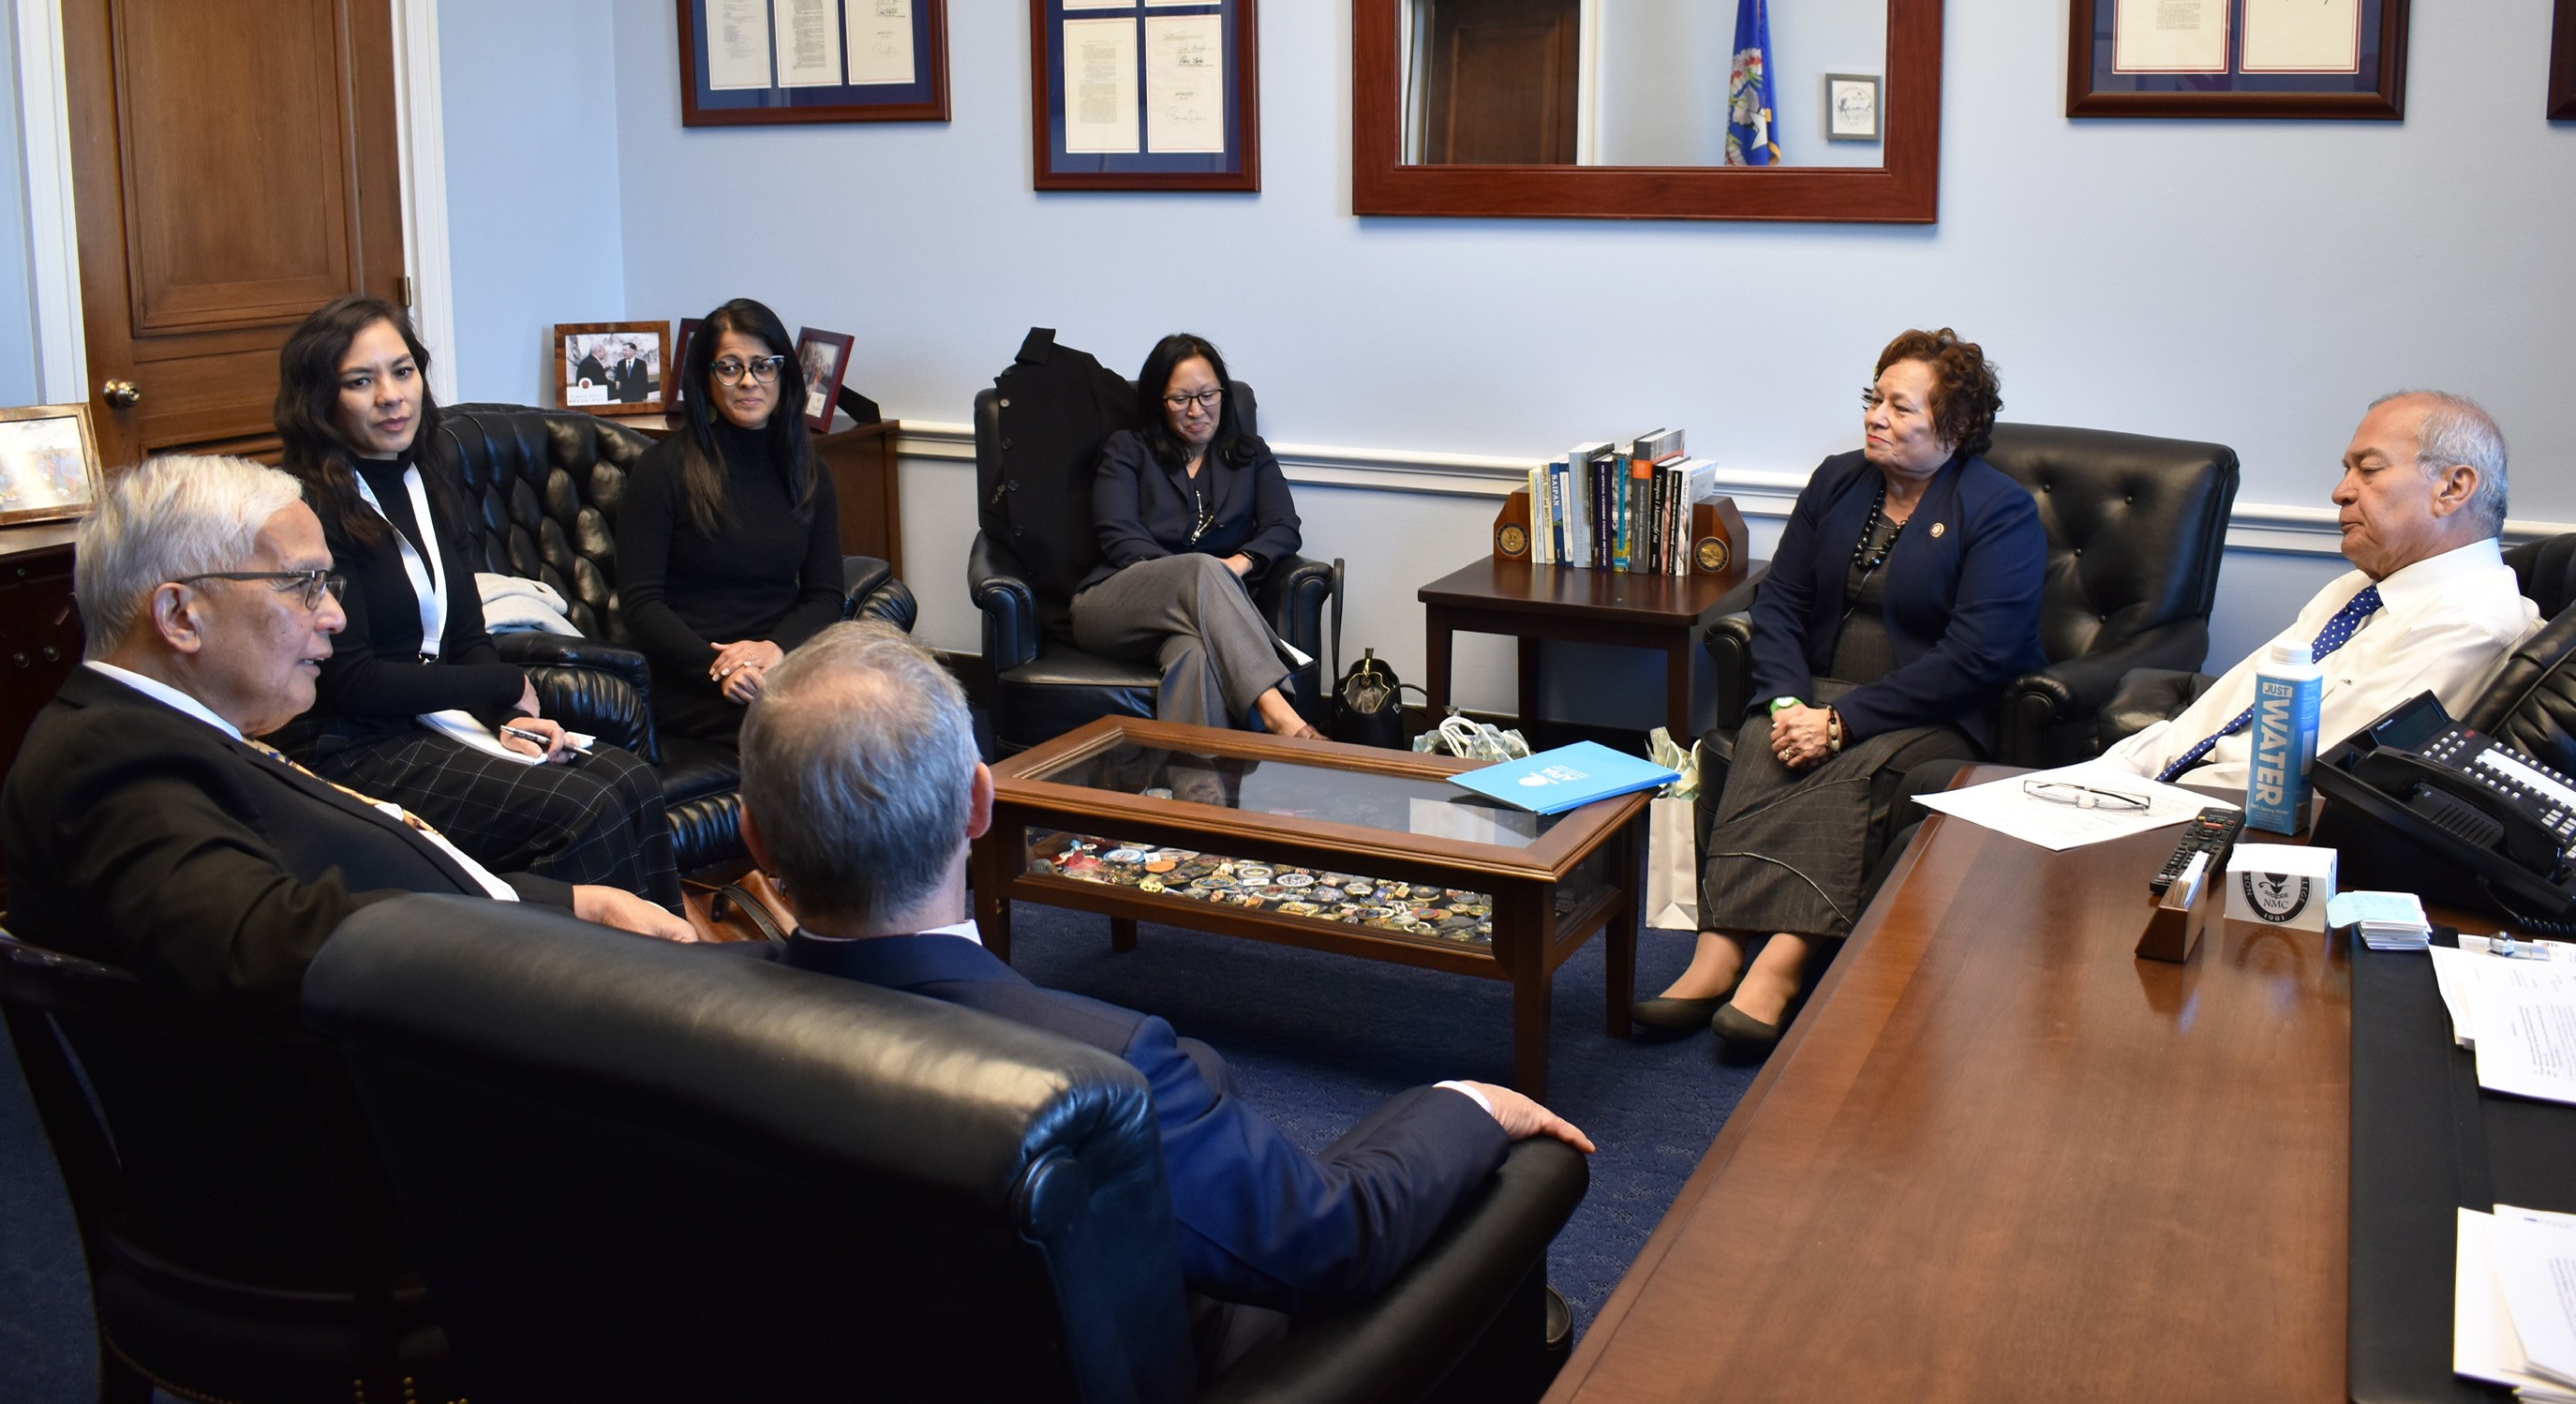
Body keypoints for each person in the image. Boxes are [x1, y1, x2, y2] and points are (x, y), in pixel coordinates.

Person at [733, 621, 1593, 1367]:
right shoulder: (1106, 1077)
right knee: (1509, 1158)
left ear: (754, 836)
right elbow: (1335, 1240)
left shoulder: (664, 1017)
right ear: (980, 807)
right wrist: (1468, 1102)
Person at [0, 455, 692, 1017]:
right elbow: (253, 943)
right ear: (181, 616)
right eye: (303, 585)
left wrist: (561, 904)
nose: (333, 615)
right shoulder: (108, 757)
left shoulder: (163, 732)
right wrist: (522, 930)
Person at [1635, 329, 2047, 1050]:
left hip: (1928, 706)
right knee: (1766, 735)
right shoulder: (1837, 479)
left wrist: (1844, 718)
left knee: (1841, 762)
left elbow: (1979, 653)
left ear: (1952, 425)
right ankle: (1718, 949)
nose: (1874, 417)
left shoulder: (1998, 509)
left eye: (1898, 407)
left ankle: (1785, 963)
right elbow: (1782, 602)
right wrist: (1789, 699)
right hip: (1817, 688)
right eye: (1872, 399)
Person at [267, 294, 681, 907]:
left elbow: (465, 634)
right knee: (584, 806)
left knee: (630, 778)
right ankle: (579, 990)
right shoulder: (310, 508)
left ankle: (674, 973)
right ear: (321, 401)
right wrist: (497, 686)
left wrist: (511, 718)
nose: (391, 395)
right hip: (351, 746)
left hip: (433, 723)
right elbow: (350, 681)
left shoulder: (428, 480)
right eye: (361, 381)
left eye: (403, 371)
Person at [2102, 391, 2539, 787]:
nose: (2339, 492)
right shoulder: (2356, 589)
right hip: (2168, 796)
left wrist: (2145, 798)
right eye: (2348, 470)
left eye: (2368, 469)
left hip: (2241, 824)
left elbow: (2312, 780)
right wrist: (2096, 780)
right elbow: (2212, 717)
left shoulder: (2473, 624)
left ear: (2453, 488)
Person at [616, 298, 845, 746]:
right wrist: (720, 667)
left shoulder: (809, 470)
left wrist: (773, 650)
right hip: (693, 677)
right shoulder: (661, 469)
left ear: (783, 373)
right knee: (820, 732)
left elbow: (825, 595)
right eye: (730, 367)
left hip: (781, 664)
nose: (748, 382)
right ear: (707, 377)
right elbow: (641, 604)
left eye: (763, 366)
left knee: (883, 709)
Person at [1072, 333, 1317, 738]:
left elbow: (1283, 527)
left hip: (1200, 621)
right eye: (1180, 399)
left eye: (1208, 395)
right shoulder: (1127, 450)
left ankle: (1195, 790)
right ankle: (1280, 715)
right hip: (1115, 606)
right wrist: (1202, 576)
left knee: (1195, 655)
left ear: (1223, 394)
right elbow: (1121, 539)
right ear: (1158, 403)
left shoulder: (1249, 454)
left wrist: (1235, 567)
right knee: (1201, 570)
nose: (1196, 410)